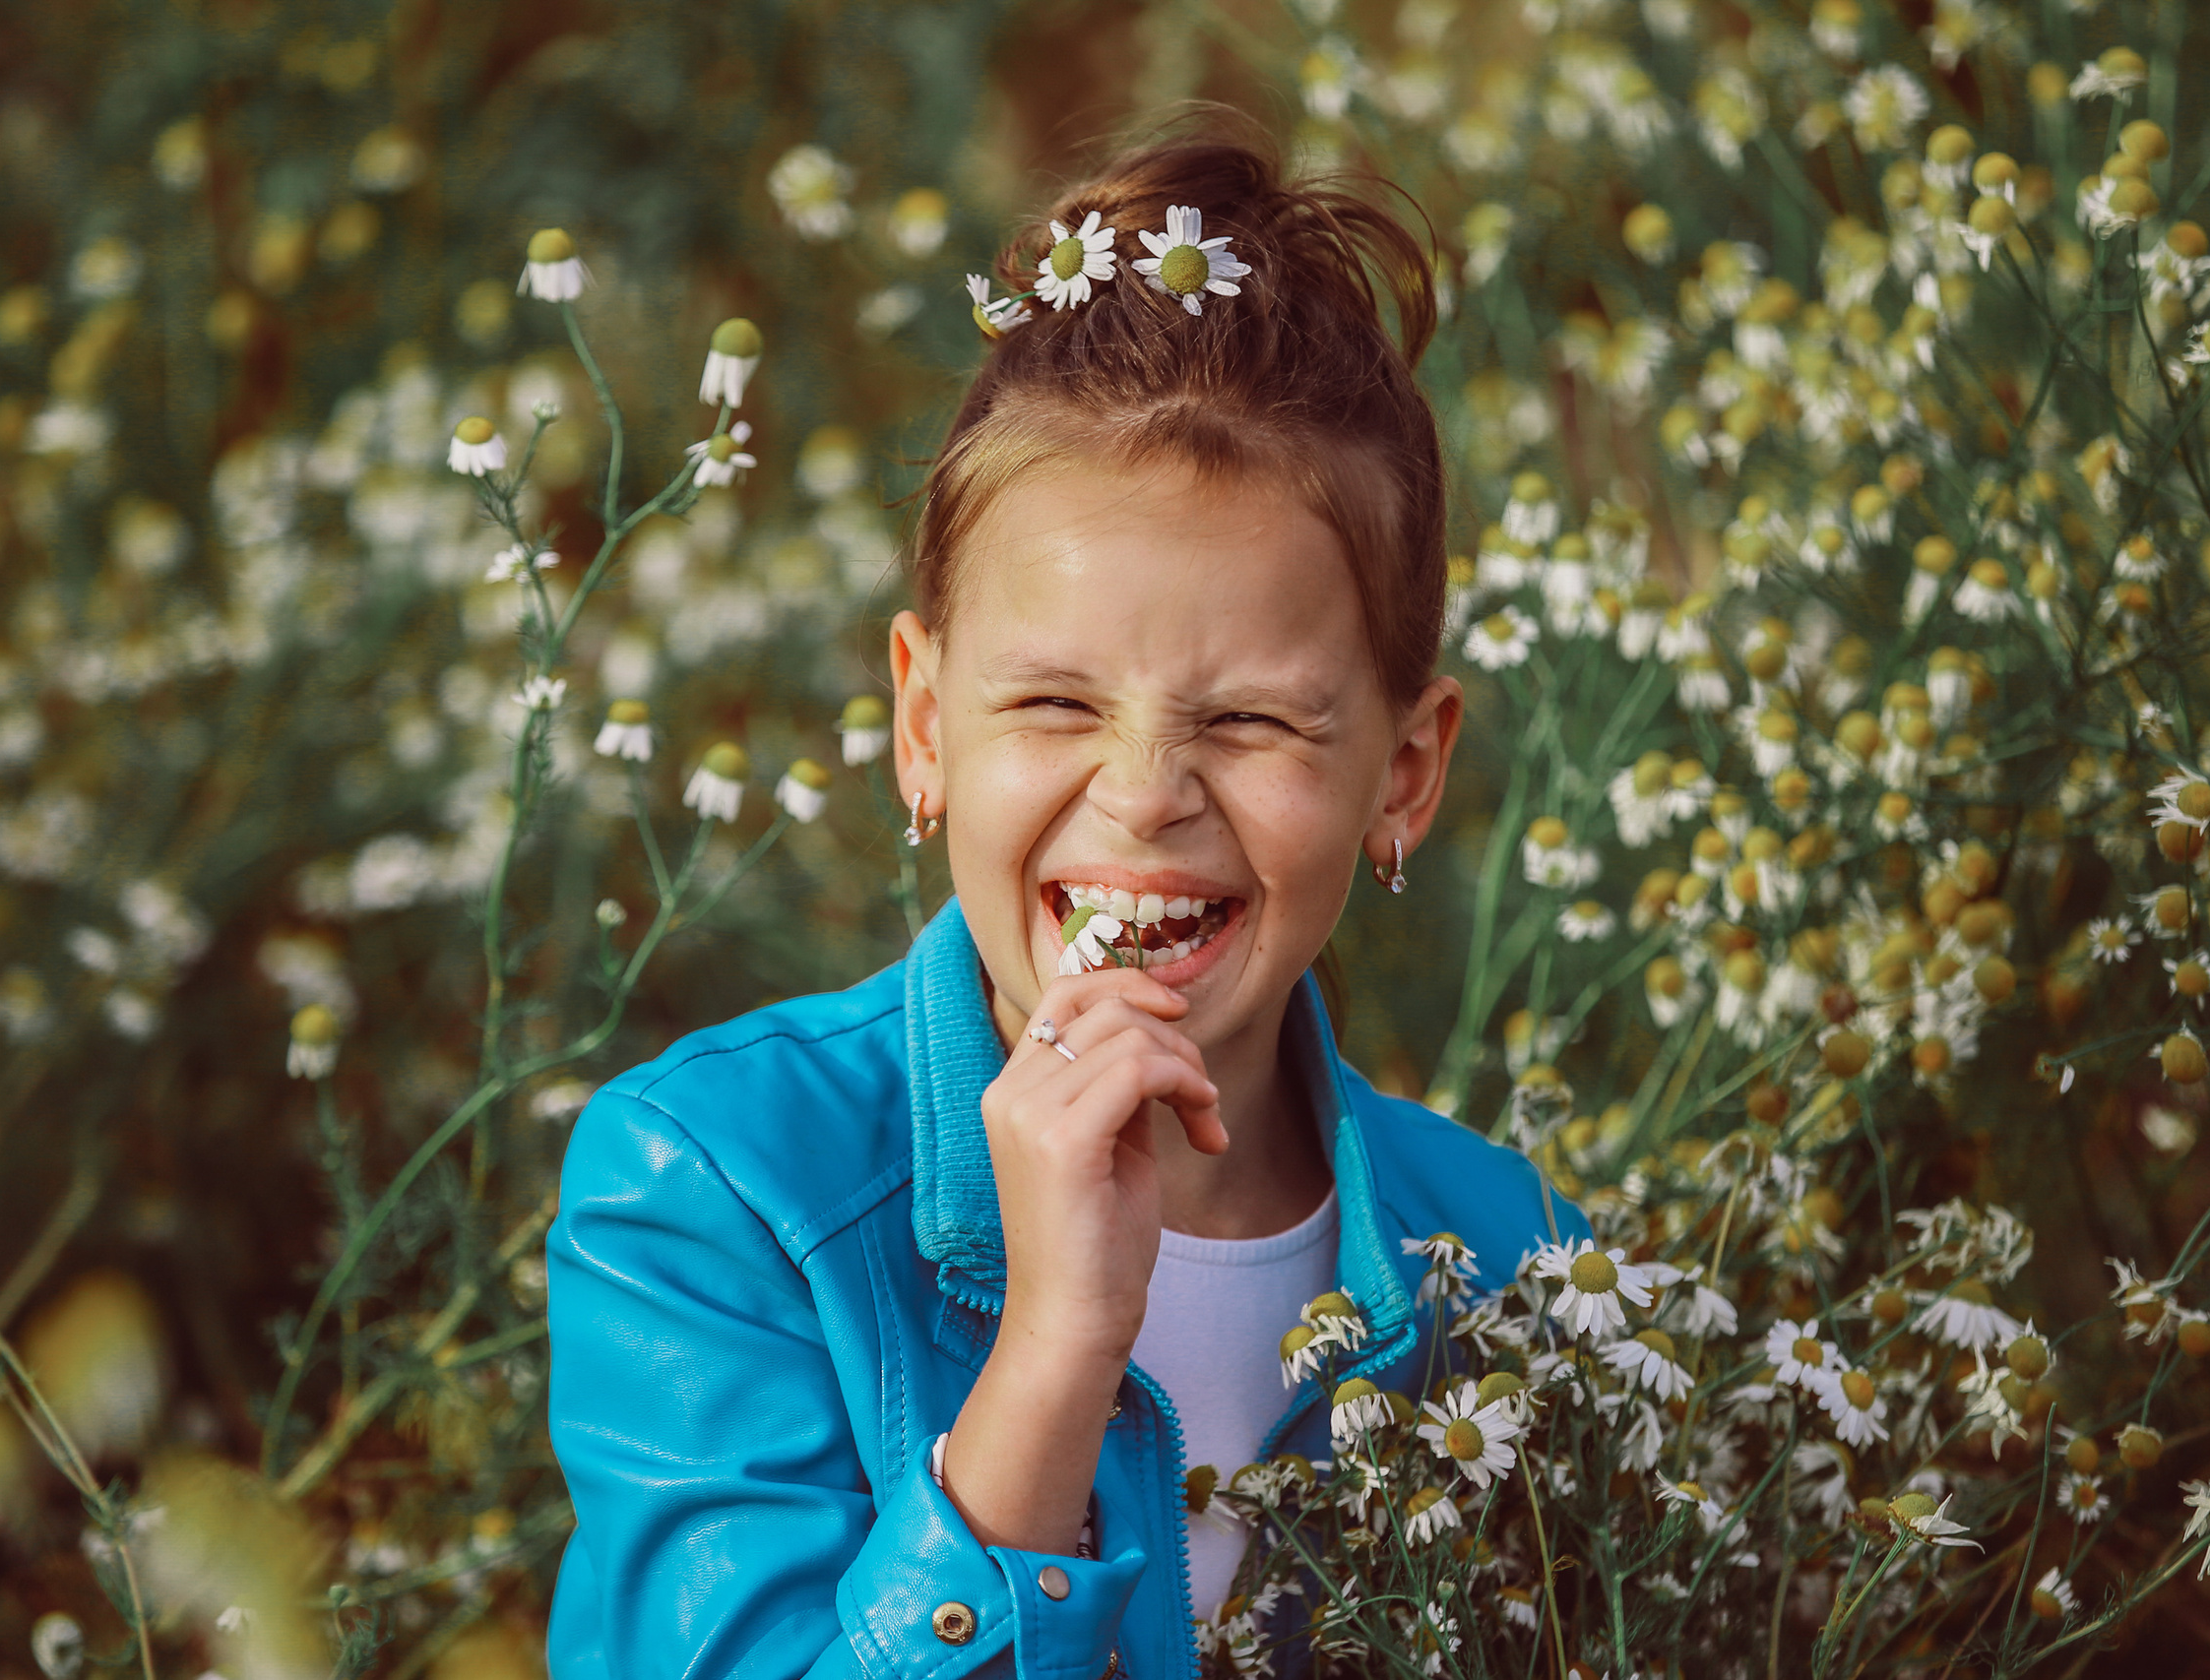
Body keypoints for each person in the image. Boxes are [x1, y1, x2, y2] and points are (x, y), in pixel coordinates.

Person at [545, 126, 1588, 1679]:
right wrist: (1050, 1357)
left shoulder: (1510, 1260)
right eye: (1049, 703)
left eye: (1251, 723)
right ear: (922, 727)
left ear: (1406, 774)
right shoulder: (714, 1191)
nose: (1144, 792)